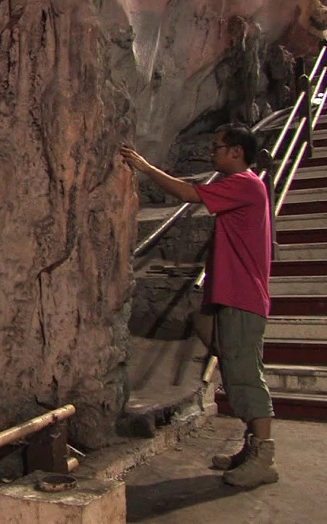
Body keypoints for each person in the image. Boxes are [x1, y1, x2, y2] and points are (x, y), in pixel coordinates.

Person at [119, 123, 278, 489]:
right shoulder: (243, 185)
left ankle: (263, 455)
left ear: (236, 152)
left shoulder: (245, 183)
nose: (212, 153)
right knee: (208, 331)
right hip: (230, 295)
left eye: (218, 147)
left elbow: (191, 194)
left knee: (245, 376)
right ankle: (251, 445)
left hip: (242, 297)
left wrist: (145, 167)